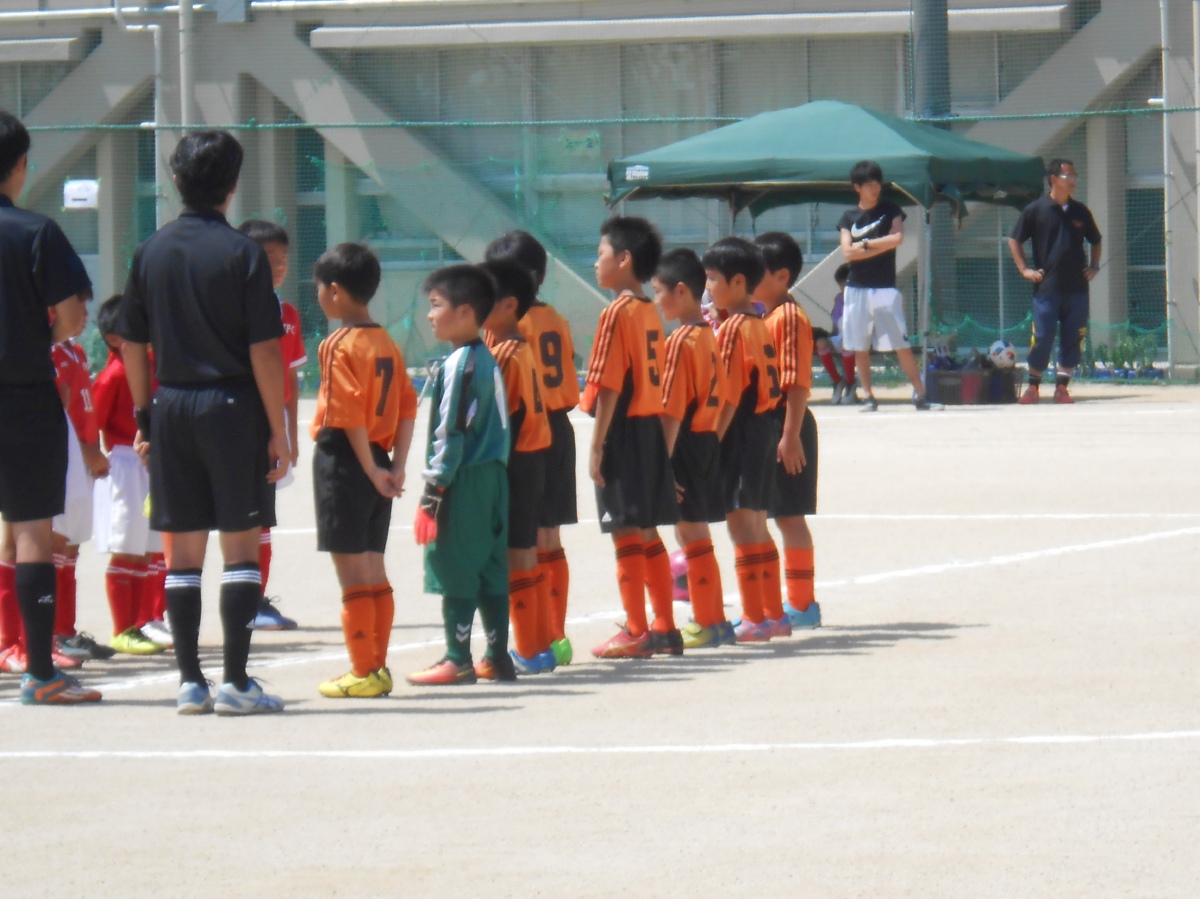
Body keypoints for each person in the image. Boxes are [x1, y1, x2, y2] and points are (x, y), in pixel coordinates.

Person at [116, 130, 289, 715]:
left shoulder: (150, 251)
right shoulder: (243, 253)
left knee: (182, 553)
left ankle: (190, 681)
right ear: (233, 185)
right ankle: (236, 682)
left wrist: (145, 417)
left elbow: (132, 343)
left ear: (174, 181)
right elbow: (265, 349)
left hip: (171, 403)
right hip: (232, 405)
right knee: (240, 545)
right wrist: (278, 429)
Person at [0, 110, 101, 703]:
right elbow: (69, 317)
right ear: (20, 165)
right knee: (32, 531)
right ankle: (41, 673)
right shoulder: (36, 232)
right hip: (22, 392)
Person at [310, 243, 416, 699]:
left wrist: (370, 469)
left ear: (334, 291)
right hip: (379, 457)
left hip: (346, 461)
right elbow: (408, 406)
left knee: (352, 574)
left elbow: (348, 413)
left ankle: (363, 669)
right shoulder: (386, 342)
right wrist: (396, 466)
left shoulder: (338, 344)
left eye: (319, 288)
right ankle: (377, 667)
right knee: (373, 567)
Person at [408, 264, 514, 686]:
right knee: (490, 565)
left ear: (465, 311)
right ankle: (497, 656)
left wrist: (432, 494)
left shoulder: (459, 364)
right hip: (495, 477)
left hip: (465, 479)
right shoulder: (487, 358)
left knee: (453, 562)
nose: (430, 315)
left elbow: (450, 434)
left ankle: (458, 659)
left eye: (437, 306)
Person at [583, 216, 681, 659]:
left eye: (601, 254)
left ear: (624, 259)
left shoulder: (617, 312)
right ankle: (665, 627)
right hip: (649, 428)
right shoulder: (648, 310)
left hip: (623, 430)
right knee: (648, 530)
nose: (595, 263)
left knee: (625, 532)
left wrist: (596, 445)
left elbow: (608, 384)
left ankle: (637, 630)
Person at [483, 231, 579, 667]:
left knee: (523, 541)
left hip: (524, 429)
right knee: (550, 537)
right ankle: (556, 636)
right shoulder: (556, 317)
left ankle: (532, 638)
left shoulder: (505, 326)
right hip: (559, 426)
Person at [703, 236, 789, 642]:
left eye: (711, 279)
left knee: (741, 526)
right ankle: (774, 614)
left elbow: (729, 394)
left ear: (737, 283)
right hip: (764, 428)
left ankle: (755, 617)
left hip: (741, 430)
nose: (707, 288)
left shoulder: (733, 328)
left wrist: (711, 442)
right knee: (757, 523)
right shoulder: (758, 323)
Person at [651, 248, 735, 649]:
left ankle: (705, 621)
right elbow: (726, 396)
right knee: (696, 533)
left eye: (659, 291)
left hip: (684, 441)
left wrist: (661, 466)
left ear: (682, 291)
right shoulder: (709, 335)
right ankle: (715, 620)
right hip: (705, 438)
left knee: (690, 533)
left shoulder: (681, 341)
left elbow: (671, 411)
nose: (656, 301)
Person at [480, 259, 555, 675]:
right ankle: (539, 646)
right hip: (534, 459)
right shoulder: (520, 347)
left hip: (516, 462)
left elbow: (503, 420)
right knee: (527, 552)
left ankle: (527, 648)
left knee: (515, 556)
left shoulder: (505, 355)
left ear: (509, 305)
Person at [91, 295, 170, 656]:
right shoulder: (114, 374)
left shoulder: (154, 364)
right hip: (124, 463)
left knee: (147, 548)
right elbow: (93, 422)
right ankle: (122, 628)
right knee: (127, 548)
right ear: (114, 339)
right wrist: (94, 457)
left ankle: (142, 622)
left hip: (151, 461)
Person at [238, 219, 307, 629]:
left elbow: (290, 379)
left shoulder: (288, 313)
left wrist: (290, 434)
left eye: (283, 258)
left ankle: (255, 598)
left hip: (272, 424)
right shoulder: (235, 309)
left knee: (262, 516)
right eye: (268, 258)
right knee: (245, 516)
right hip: (243, 420)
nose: (278, 266)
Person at [754, 231, 822, 629]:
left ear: (782, 276)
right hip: (770, 425)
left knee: (790, 516)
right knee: (772, 514)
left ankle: (802, 603)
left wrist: (790, 435)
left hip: (787, 423)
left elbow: (796, 382)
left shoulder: (790, 317)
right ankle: (781, 603)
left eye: (756, 270)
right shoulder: (765, 316)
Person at [838, 160, 941, 412]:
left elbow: (897, 238)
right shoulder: (848, 217)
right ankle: (868, 396)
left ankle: (920, 395)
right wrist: (877, 245)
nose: (875, 189)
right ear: (857, 187)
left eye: (877, 184)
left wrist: (864, 245)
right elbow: (847, 253)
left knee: (900, 343)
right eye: (869, 184)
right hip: (856, 288)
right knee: (859, 345)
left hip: (885, 289)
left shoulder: (890, 209)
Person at [50, 290, 117, 663]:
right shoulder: (47, 354)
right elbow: (58, 412)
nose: (85, 312)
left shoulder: (74, 351)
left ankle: (65, 629)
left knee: (71, 550)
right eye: (79, 304)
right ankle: (49, 634)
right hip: (64, 460)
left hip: (83, 463)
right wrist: (87, 450)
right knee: (54, 547)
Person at [1007, 158, 1102, 404]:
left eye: (1074, 176)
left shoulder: (1081, 211)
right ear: (1053, 180)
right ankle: (1033, 388)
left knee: (1073, 337)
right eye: (1067, 176)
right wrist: (1025, 270)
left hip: (1077, 289)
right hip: (1046, 289)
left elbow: (1096, 240)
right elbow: (1014, 240)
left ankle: (1062, 388)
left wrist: (1094, 266)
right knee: (1042, 337)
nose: (1073, 181)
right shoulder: (1036, 209)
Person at [813, 263, 858, 405]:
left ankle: (850, 382)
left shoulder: (861, 299)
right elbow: (836, 323)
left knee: (846, 344)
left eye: (845, 285)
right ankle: (837, 380)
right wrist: (831, 338)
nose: (843, 289)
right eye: (841, 286)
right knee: (821, 343)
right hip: (840, 336)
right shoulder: (839, 299)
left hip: (858, 338)